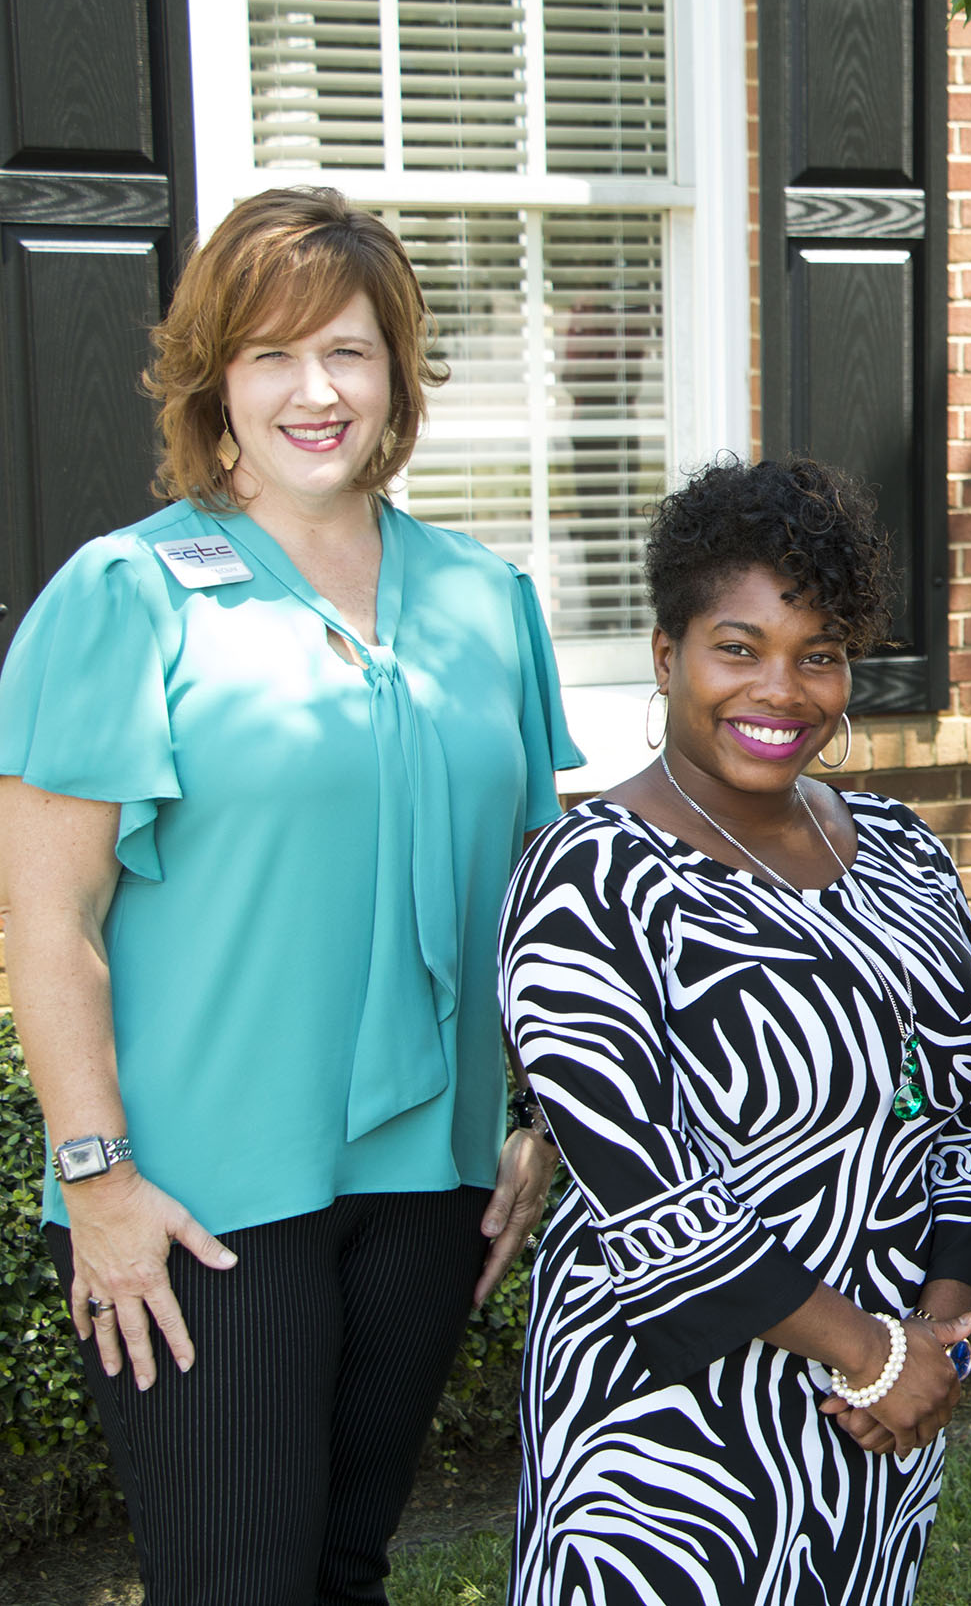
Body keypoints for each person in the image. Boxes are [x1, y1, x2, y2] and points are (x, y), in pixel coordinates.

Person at [0, 185, 579, 1602]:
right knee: (236, 1579)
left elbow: (532, 894)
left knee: (342, 1565)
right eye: (270, 355)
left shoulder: (485, 597)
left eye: (349, 350)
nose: (314, 390)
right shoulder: (127, 595)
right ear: (215, 380)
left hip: (428, 1189)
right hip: (200, 1200)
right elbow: (45, 922)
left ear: (398, 374)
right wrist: (101, 1180)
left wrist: (536, 1113)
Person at [496, 457, 971, 1604]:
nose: (779, 690)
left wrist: (940, 1327)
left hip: (872, 1424)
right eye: (739, 647)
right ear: (667, 651)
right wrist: (872, 1354)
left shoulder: (901, 848)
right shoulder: (588, 876)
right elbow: (648, 1195)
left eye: (816, 653)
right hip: (665, 1442)